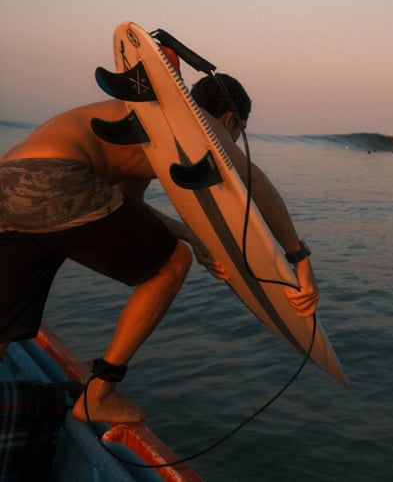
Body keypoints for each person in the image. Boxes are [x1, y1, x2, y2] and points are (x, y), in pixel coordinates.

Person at [0, 70, 319, 423]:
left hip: (9, 179)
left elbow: (126, 202)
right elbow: (253, 180)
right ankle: (100, 394)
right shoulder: (196, 119)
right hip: (58, 176)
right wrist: (298, 257)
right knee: (171, 265)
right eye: (239, 132)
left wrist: (193, 235)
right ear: (230, 118)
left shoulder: (147, 117)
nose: (233, 138)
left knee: (5, 320)